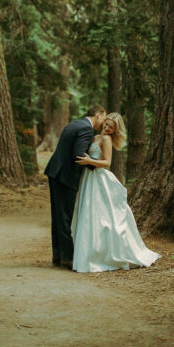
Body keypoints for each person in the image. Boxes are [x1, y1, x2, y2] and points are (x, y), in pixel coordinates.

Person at [71, 112, 160, 273]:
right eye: (106, 124)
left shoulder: (106, 139)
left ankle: (101, 254)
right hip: (88, 178)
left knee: (101, 215)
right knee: (88, 214)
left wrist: (89, 161)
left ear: (114, 131)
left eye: (110, 128)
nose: (106, 128)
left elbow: (107, 162)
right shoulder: (95, 135)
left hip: (98, 178)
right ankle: (87, 252)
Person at [44, 105, 106, 268]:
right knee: (65, 217)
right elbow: (78, 155)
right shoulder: (87, 129)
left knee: (58, 217)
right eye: (104, 119)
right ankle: (67, 258)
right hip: (66, 177)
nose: (103, 124)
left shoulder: (75, 124)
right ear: (98, 115)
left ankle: (58, 255)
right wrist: (94, 167)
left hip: (55, 172)